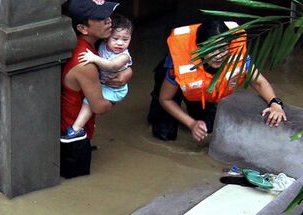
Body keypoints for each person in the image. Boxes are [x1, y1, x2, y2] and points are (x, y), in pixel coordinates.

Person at [148, 19, 287, 142]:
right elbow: (166, 99)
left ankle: (193, 108)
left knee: (209, 128)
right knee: (164, 134)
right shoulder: (180, 65)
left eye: (223, 49)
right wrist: (191, 124)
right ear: (200, 48)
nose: (218, 56)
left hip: (202, 88)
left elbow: (259, 82)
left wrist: (275, 104)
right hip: (178, 82)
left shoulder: (237, 57)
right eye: (213, 50)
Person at [61, 0, 133, 142]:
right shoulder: (86, 61)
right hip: (75, 135)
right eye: (100, 18)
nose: (108, 21)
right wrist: (117, 95)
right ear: (82, 28)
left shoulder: (92, 45)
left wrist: (127, 72)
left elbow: (118, 62)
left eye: (108, 15)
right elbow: (99, 107)